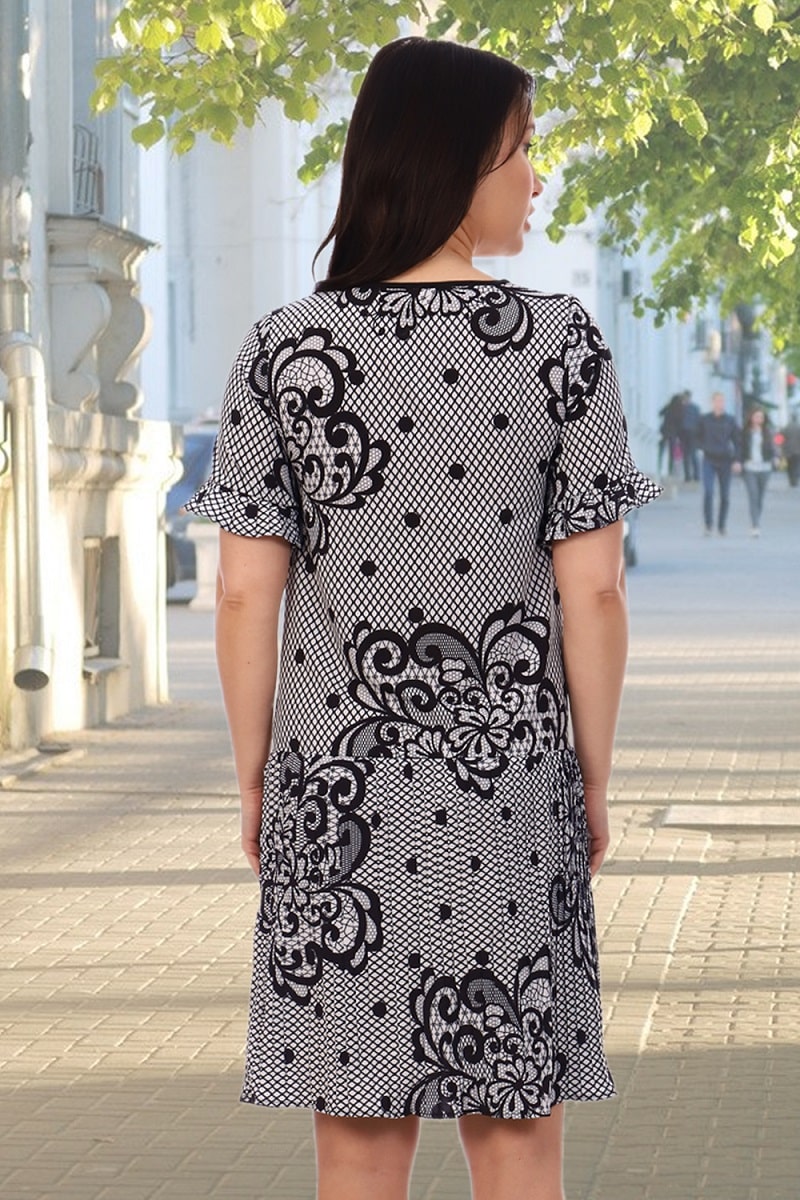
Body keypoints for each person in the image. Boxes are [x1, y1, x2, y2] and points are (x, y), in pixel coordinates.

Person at [185, 37, 660, 1200]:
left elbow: (243, 590)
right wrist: (592, 777)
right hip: (509, 785)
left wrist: (254, 779)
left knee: (355, 1137)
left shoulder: (285, 348)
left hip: (333, 795)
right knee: (514, 1132)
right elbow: (594, 591)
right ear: (452, 161)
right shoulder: (559, 345)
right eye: (521, 151)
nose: (537, 178)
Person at [698, 392, 741, 535]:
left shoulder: (730, 420)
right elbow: (697, 436)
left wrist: (736, 460)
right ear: (712, 402)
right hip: (709, 459)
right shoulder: (705, 419)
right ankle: (708, 524)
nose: (720, 404)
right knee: (708, 492)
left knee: (725, 495)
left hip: (725, 460)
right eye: (717, 401)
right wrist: (703, 447)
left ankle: (722, 525)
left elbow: (737, 441)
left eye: (722, 401)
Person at [741, 407, 776, 535]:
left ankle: (756, 519)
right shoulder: (745, 433)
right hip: (749, 468)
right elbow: (740, 448)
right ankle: (755, 524)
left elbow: (773, 448)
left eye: (761, 417)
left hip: (765, 468)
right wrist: (738, 461)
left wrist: (775, 458)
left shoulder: (768, 432)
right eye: (756, 416)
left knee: (760, 497)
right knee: (753, 495)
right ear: (751, 418)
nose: (758, 419)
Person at [678, 390, 701, 482]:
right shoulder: (681, 408)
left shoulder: (694, 408)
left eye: (686, 397)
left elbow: (699, 421)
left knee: (693, 455)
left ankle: (696, 475)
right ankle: (688, 475)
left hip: (692, 434)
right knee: (686, 456)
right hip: (684, 434)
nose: (685, 399)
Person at [658, 393, 683, 476]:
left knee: (661, 449)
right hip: (673, 433)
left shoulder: (668, 407)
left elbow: (660, 413)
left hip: (665, 431)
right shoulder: (680, 410)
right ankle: (670, 470)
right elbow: (680, 423)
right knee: (671, 452)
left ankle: (659, 465)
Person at [782, 411, 800, 487]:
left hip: (788, 450)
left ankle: (791, 480)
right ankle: (795, 480)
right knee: (796, 465)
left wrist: (781, 447)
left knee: (790, 466)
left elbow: (780, 438)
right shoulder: (798, 427)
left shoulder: (787, 427)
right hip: (797, 450)